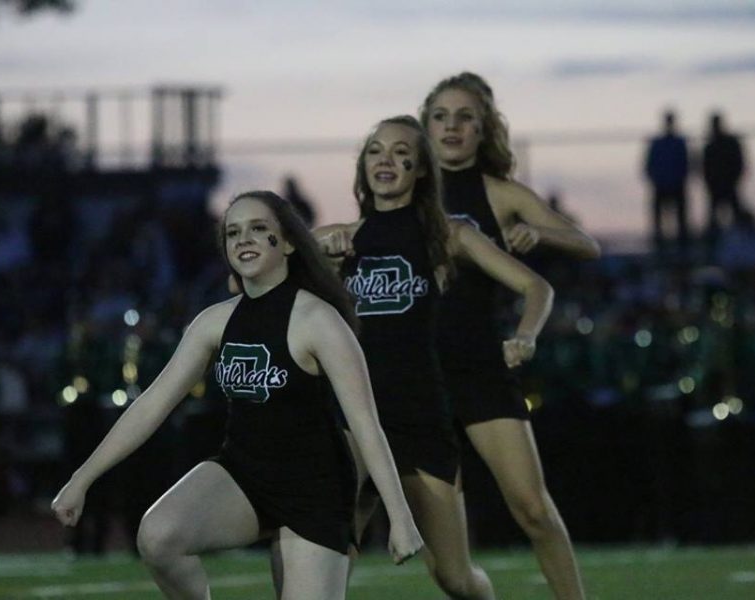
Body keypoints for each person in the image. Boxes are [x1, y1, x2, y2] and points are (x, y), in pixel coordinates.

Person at [52, 191, 422, 600]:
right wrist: (80, 479)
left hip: (314, 489)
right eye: (233, 233)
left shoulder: (319, 320)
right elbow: (151, 405)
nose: (244, 239)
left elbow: (366, 423)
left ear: (288, 243)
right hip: (242, 473)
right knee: (158, 537)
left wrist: (401, 517)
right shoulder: (214, 322)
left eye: (258, 229)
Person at [315, 115, 554, 600]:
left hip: (420, 417)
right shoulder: (339, 238)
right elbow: (241, 281)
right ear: (362, 167)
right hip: (357, 418)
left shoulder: (449, 235)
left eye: (401, 153)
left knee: (454, 577)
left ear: (421, 170)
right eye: (376, 151)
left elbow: (536, 286)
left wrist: (525, 336)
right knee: (326, 556)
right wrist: (314, 255)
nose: (386, 160)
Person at [421, 71, 599, 600]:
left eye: (465, 117)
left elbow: (584, 243)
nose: (452, 127)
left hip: (479, 365)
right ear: (425, 127)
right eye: (440, 116)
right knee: (449, 571)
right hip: (417, 378)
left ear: (483, 130)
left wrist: (539, 231)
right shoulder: (401, 190)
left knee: (533, 509)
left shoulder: (498, 194)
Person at [644, 110, 690, 257]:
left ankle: (682, 247)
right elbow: (649, 165)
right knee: (659, 221)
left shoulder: (678, 142)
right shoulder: (658, 143)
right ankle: (660, 247)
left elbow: (685, 164)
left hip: (676, 185)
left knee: (681, 220)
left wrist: (678, 179)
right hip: (662, 185)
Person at [702, 111, 746, 247]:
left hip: (729, 185)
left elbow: (739, 163)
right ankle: (713, 246)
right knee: (713, 221)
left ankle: (741, 244)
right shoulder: (710, 146)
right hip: (715, 188)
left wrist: (733, 180)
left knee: (736, 219)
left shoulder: (730, 143)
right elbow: (705, 168)